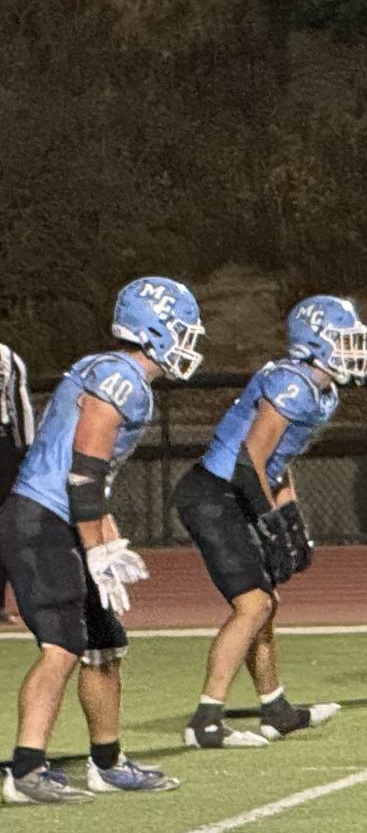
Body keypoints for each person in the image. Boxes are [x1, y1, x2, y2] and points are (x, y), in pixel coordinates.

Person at [0, 277, 204, 803]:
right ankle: (25, 770)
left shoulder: (115, 372)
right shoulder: (119, 377)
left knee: (104, 643)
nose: (187, 341)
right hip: (43, 519)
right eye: (181, 330)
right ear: (154, 328)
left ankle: (108, 761)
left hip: (62, 518)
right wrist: (98, 547)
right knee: (62, 646)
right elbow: (82, 476)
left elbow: (94, 485)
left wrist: (106, 535)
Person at [174, 296, 367, 749]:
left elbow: (280, 461)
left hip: (237, 491)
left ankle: (275, 708)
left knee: (265, 604)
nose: (355, 348)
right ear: (314, 342)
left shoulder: (324, 391)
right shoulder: (291, 382)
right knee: (253, 605)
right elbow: (249, 460)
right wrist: (268, 519)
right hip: (214, 493)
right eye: (344, 340)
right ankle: (206, 719)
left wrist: (291, 515)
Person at [0, 339, 34, 621]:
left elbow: (20, 409)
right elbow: (20, 410)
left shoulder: (7, 357)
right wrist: (27, 451)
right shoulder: (6, 357)